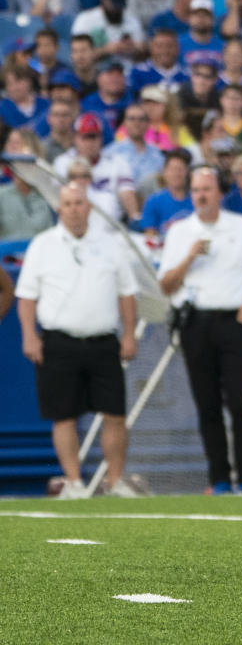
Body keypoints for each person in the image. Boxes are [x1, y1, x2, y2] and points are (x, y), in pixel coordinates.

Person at [15, 182, 138, 500]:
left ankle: (115, 480)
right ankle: (74, 482)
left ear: (89, 207)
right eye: (67, 204)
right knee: (63, 414)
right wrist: (30, 335)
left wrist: (128, 334)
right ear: (60, 209)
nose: (73, 209)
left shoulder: (111, 244)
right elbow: (26, 297)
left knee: (114, 413)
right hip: (58, 340)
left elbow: (127, 293)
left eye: (79, 203)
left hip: (102, 339)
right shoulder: (42, 245)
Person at [158, 167, 242, 494]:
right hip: (195, 321)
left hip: (234, 321)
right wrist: (189, 256)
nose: (200, 195)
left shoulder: (241, 227)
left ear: (219, 193)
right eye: (195, 189)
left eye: (206, 189)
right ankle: (220, 479)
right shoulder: (180, 231)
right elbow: (166, 285)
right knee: (207, 403)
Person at [53, 113, 140, 223]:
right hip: (74, 221)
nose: (90, 143)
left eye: (94, 137)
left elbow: (127, 195)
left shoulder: (117, 162)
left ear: (101, 138)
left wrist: (134, 217)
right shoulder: (62, 162)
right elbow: (58, 199)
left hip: (111, 224)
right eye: (85, 137)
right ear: (75, 138)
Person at [0, 128, 54, 240]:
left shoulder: (49, 190)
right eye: (9, 143)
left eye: (17, 143)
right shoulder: (2, 194)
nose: (12, 148)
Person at [140, 148, 193, 241]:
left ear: (188, 172)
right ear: (164, 172)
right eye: (172, 169)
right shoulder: (153, 202)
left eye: (180, 169)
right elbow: (150, 237)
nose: (176, 174)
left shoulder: (198, 198)